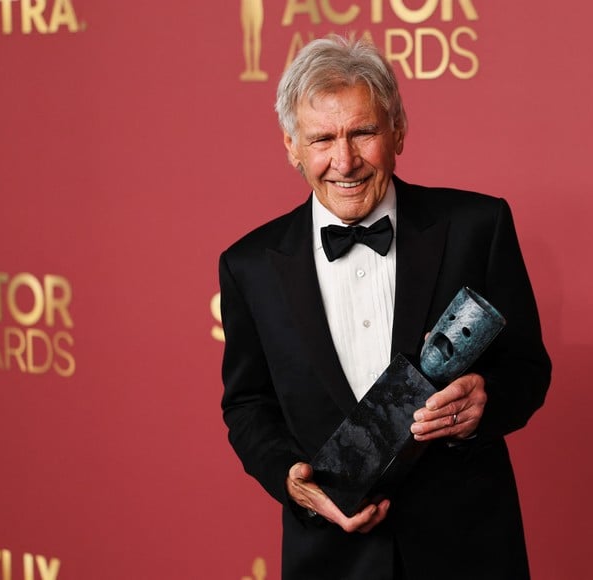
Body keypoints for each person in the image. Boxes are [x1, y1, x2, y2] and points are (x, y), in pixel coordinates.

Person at [219, 35, 551, 580]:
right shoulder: (250, 265)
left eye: (363, 132)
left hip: (467, 550)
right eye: (321, 138)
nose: (343, 161)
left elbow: (528, 370)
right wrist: (291, 480)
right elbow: (248, 404)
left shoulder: (476, 228)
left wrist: (484, 406)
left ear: (397, 129)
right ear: (291, 145)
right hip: (330, 555)